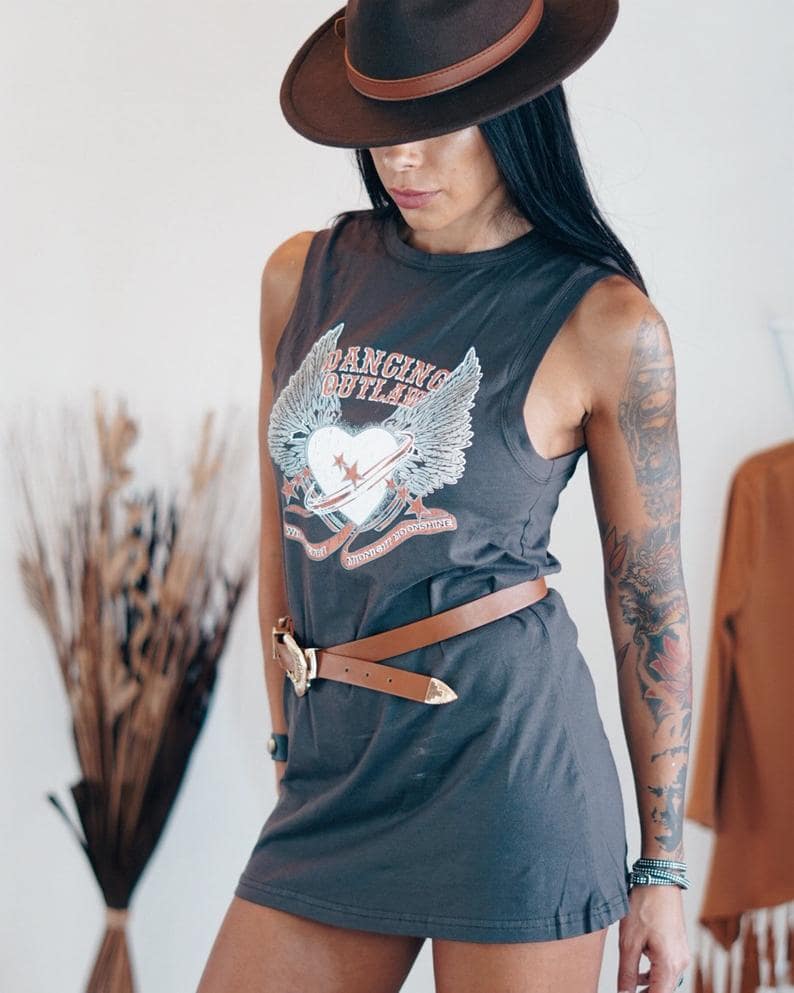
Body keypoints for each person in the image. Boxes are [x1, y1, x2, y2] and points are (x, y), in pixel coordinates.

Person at [197, 2, 693, 991]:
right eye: (383, 127)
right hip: (337, 775)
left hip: (514, 775)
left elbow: (649, 602)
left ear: (515, 112)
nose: (400, 159)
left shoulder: (605, 323)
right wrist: (288, 740)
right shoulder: (302, 277)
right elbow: (279, 531)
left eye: (435, 127)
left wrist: (661, 868)